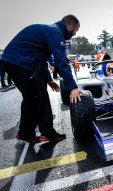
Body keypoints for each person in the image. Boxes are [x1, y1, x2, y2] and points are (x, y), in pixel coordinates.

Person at [0, 14, 82, 143]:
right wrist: (73, 87)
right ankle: (25, 133)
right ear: (71, 26)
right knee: (33, 97)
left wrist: (49, 80)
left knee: (41, 95)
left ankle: (47, 132)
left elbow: (42, 59)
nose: (75, 34)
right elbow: (61, 61)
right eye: (76, 30)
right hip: (18, 62)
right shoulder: (55, 32)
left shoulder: (51, 31)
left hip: (24, 62)